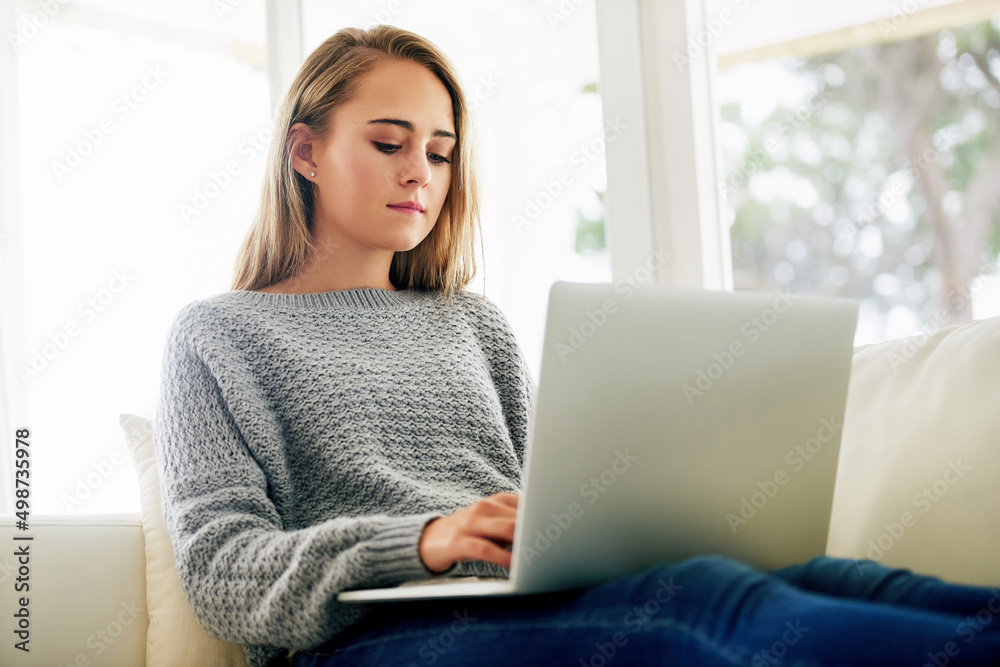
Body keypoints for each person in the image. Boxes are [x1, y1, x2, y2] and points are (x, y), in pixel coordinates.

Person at [154, 24, 1000, 667]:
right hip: (379, 638)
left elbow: (548, 504)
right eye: (389, 143)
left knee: (838, 578)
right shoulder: (219, 336)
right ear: (305, 150)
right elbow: (226, 570)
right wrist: (422, 539)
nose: (422, 173)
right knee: (712, 604)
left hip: (535, 608)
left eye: (441, 152)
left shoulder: (471, 324)